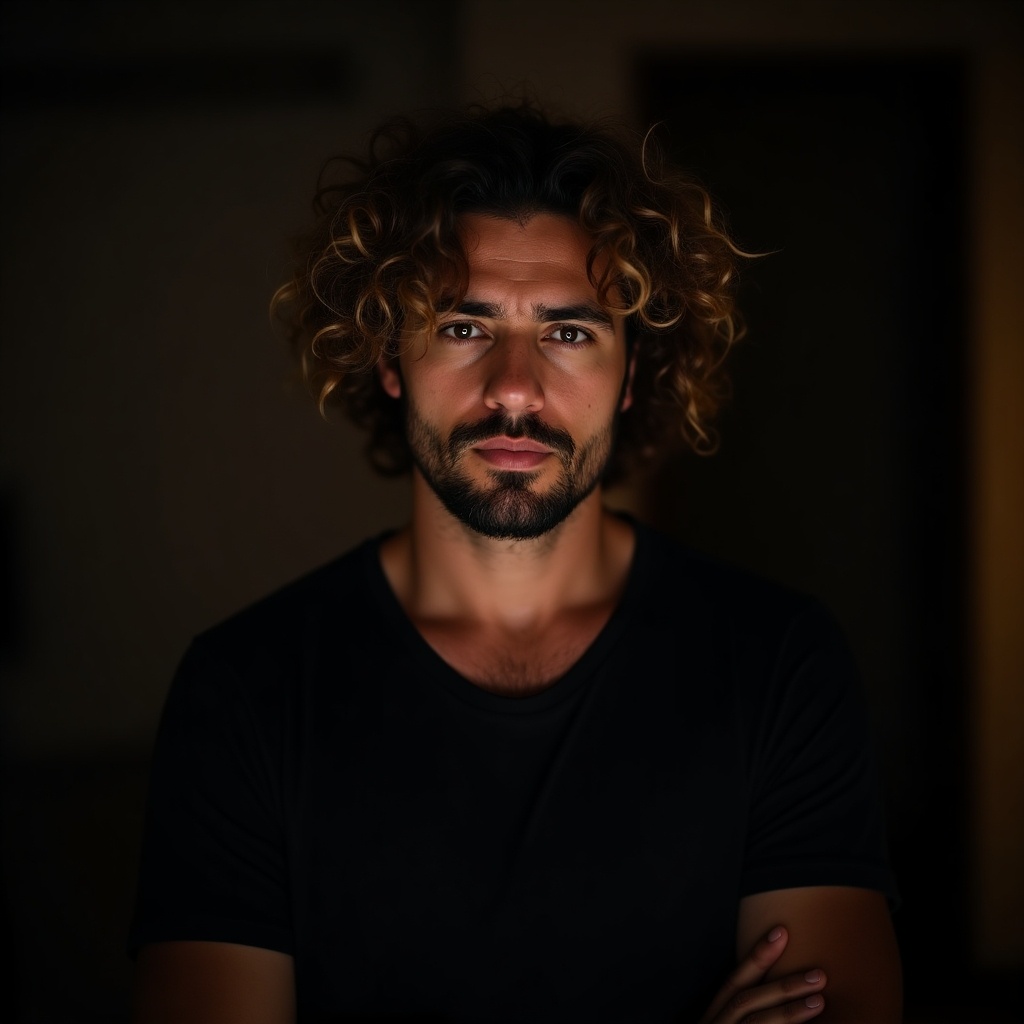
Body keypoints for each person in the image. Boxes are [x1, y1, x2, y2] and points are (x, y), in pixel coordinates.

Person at [129, 103, 901, 1023]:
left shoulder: (778, 663)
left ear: (630, 370)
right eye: (463, 327)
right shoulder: (244, 691)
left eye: (570, 332)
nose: (514, 387)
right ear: (389, 356)